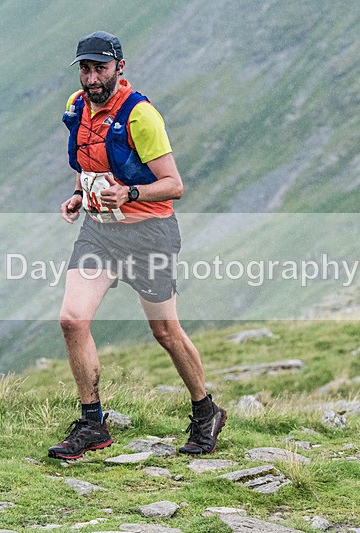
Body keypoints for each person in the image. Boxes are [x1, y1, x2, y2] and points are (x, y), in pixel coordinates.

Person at [48, 31, 226, 460]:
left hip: (149, 234)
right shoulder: (77, 106)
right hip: (100, 231)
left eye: (100, 69)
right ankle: (93, 424)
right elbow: (90, 160)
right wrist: (80, 194)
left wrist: (128, 194)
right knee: (72, 320)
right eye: (86, 70)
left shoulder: (140, 115)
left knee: (164, 331)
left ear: (119, 68)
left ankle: (206, 412)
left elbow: (174, 185)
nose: (92, 79)